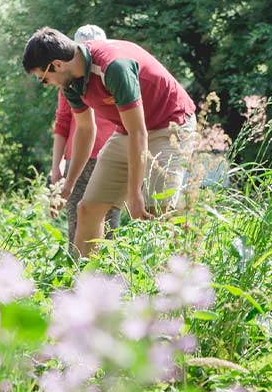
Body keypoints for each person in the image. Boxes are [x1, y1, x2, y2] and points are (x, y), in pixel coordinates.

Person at [23, 27, 196, 257]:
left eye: (44, 79)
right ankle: (85, 285)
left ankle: (175, 282)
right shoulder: (71, 83)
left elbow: (139, 132)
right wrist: (69, 184)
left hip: (170, 126)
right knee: (87, 209)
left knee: (156, 212)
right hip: (128, 132)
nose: (48, 84)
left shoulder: (113, 67)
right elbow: (85, 130)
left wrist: (134, 194)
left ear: (56, 64)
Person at [50, 25, 120, 254]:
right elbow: (62, 123)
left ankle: (108, 279)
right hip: (77, 161)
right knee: (76, 226)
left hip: (110, 157)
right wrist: (56, 167)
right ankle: (77, 280)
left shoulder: (112, 74)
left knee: (109, 226)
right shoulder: (67, 83)